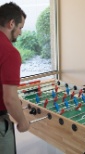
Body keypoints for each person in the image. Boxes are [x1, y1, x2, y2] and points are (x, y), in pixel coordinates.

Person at [0, 2, 30, 154]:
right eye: (20, 27)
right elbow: (10, 99)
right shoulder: (10, 52)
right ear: (11, 23)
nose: (20, 33)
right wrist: (23, 122)